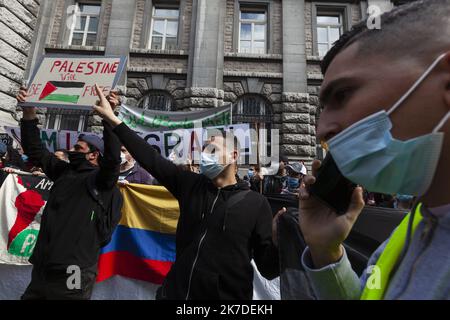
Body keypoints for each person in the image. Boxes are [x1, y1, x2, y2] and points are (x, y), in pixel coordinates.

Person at [298, 0, 450, 300]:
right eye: (322, 108)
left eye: (342, 95)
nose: (321, 130)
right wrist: (325, 251)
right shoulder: (414, 226)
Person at [93, 90, 281, 300]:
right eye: (203, 151)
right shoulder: (189, 185)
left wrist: (278, 242)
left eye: (212, 150)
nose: (204, 156)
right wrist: (112, 119)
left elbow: (269, 270)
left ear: (233, 155)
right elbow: (149, 156)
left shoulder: (256, 204)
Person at [16, 85, 123, 300]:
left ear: (93, 156)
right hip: (44, 267)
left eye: (78, 149)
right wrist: (29, 114)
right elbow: (36, 151)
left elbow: (112, 159)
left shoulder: (101, 182)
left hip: (74, 271)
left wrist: (109, 118)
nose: (71, 151)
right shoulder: (64, 172)